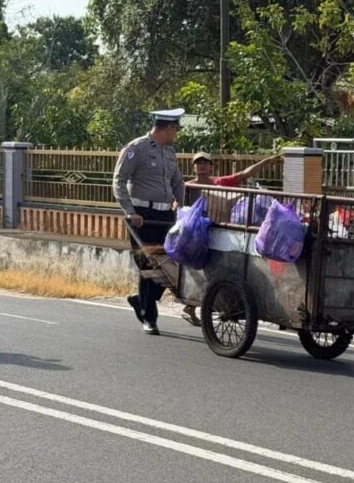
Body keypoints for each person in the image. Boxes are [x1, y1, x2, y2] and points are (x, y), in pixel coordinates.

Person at [180, 151, 281, 326]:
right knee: (199, 269)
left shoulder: (219, 183)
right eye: (198, 163)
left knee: (217, 269)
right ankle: (191, 304)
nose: (202, 166)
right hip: (197, 235)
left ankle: (198, 305)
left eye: (205, 163)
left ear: (211, 167)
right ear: (193, 167)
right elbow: (177, 204)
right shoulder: (187, 187)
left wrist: (267, 161)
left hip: (220, 233)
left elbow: (244, 174)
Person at [113, 108, 186, 335]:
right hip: (142, 216)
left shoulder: (169, 152)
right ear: (168, 128)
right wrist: (129, 211)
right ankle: (149, 318)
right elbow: (119, 180)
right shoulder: (137, 148)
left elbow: (177, 181)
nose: (176, 134)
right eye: (175, 129)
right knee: (148, 265)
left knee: (167, 265)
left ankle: (141, 299)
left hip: (165, 217)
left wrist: (181, 206)